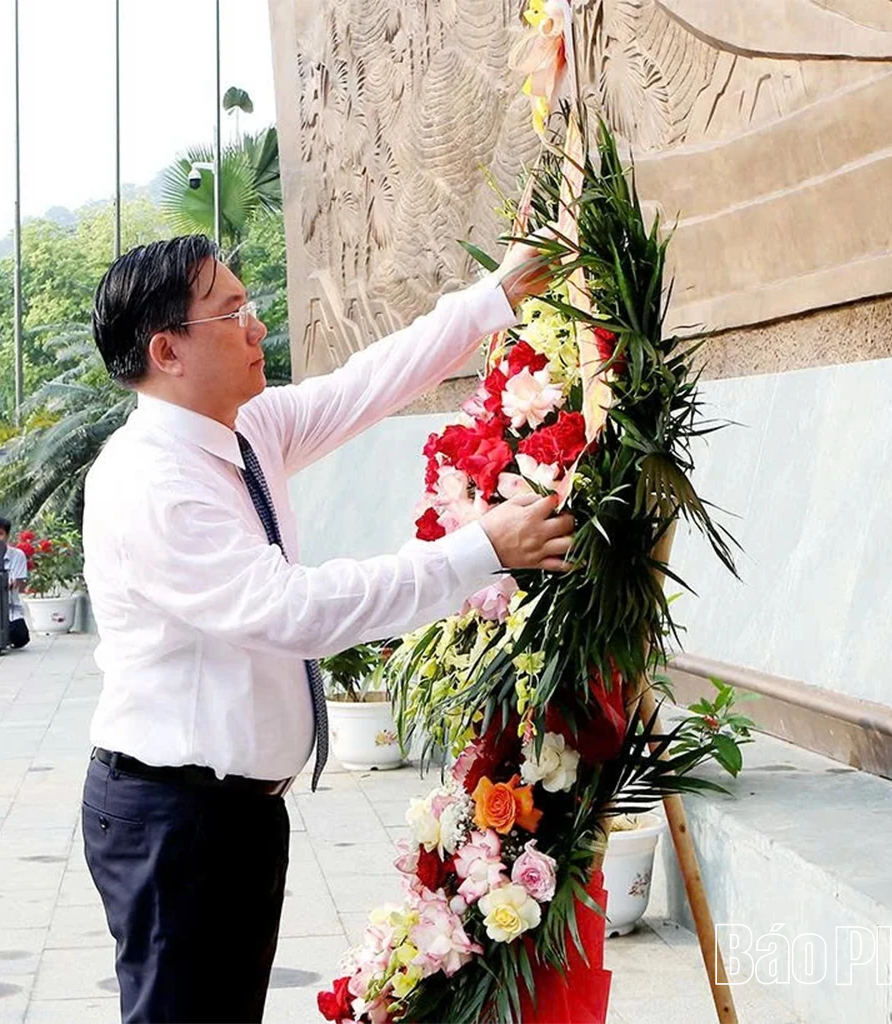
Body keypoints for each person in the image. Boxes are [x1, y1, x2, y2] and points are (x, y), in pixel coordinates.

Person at [79, 234, 572, 1023]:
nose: (256, 326)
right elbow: (294, 612)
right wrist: (479, 549)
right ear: (167, 350)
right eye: (230, 312)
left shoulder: (244, 429)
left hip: (233, 812)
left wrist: (494, 298)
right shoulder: (151, 482)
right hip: (176, 817)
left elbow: (363, 386)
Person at [0, 516, 31, 650]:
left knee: (20, 637)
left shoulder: (18, 555)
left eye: (0, 534)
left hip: (11, 610)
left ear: (7, 536)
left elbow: (17, 583)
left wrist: (10, 582)